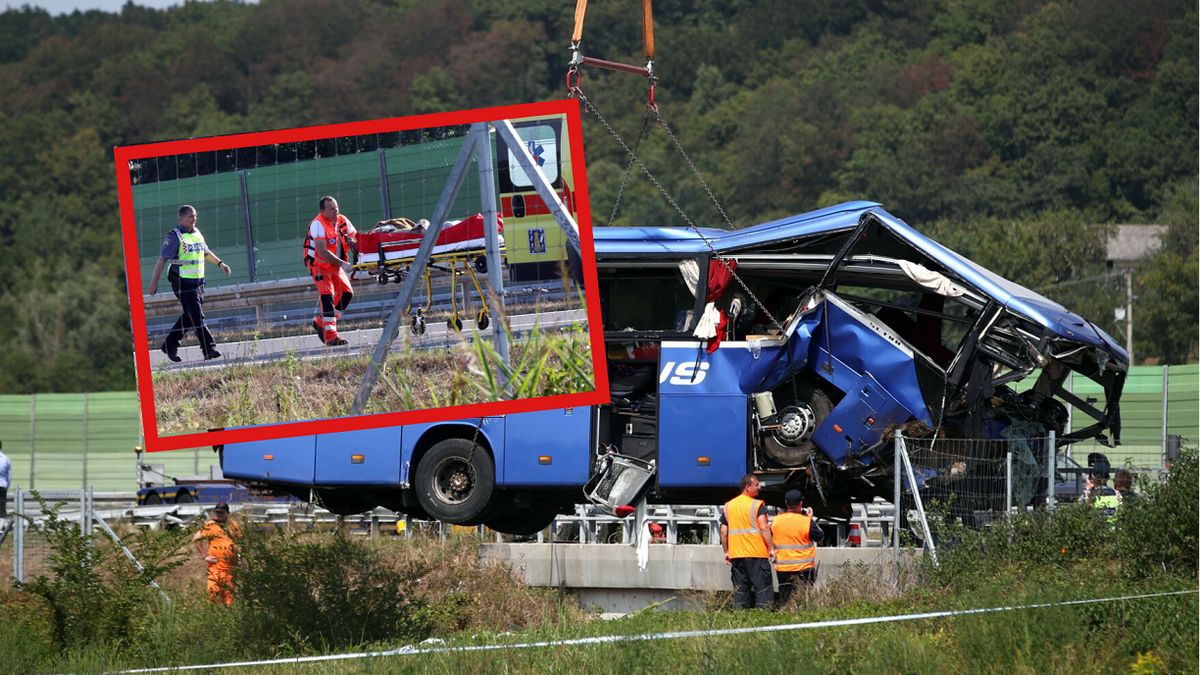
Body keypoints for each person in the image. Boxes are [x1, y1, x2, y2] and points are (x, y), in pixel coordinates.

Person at [146, 205, 231, 362]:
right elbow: (162, 260)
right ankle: (209, 349)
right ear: (181, 218)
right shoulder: (174, 236)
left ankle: (169, 345)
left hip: (198, 282)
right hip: (181, 281)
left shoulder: (197, 233)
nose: (194, 219)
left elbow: (206, 253)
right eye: (190, 216)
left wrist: (220, 264)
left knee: (189, 315)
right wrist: (154, 282)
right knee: (197, 316)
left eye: (195, 216)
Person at [305, 196, 357, 347]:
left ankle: (321, 322)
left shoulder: (342, 220)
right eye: (331, 209)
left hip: (334, 265)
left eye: (336, 207)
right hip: (319, 265)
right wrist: (343, 264)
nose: (336, 211)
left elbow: (355, 237)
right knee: (327, 297)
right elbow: (322, 251)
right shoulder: (317, 224)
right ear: (323, 211)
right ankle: (331, 337)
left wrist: (356, 246)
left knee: (347, 293)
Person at [719, 474, 775, 610]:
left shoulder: (729, 506)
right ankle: (764, 617)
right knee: (763, 589)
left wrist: (726, 551)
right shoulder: (757, 505)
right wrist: (771, 548)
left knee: (740, 591)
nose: (759, 487)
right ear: (747, 487)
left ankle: (740, 617)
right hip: (757, 553)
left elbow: (723, 532)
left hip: (737, 555)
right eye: (756, 485)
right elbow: (764, 527)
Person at [772, 489, 824, 609]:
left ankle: (785, 614)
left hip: (783, 567)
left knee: (785, 597)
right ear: (801, 503)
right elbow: (820, 537)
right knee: (804, 597)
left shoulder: (776, 521)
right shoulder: (806, 521)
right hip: (804, 567)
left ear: (786, 503)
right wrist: (811, 519)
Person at [192, 502, 241, 606]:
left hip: (230, 567)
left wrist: (239, 556)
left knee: (229, 597)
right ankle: (210, 613)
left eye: (221, 513)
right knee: (212, 595)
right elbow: (196, 539)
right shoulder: (210, 525)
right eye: (217, 512)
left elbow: (240, 542)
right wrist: (205, 556)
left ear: (227, 513)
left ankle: (228, 614)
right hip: (215, 566)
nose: (219, 515)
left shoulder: (233, 525)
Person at [0, 442, 10, 519]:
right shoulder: (5, 458)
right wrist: (7, 486)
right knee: (2, 511)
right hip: (2, 486)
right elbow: (9, 476)